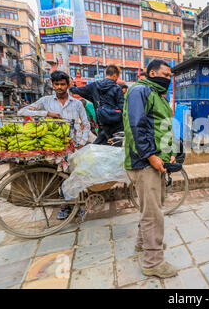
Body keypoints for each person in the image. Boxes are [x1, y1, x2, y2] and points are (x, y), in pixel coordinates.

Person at [123, 59, 177, 278]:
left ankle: (141, 243)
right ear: (151, 72)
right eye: (165, 75)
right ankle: (153, 261)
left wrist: (170, 151)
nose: (168, 79)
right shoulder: (140, 91)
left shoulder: (158, 96)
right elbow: (136, 125)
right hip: (144, 162)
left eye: (169, 76)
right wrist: (150, 155)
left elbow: (163, 127)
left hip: (156, 161)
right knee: (153, 214)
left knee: (152, 207)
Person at [18, 70, 91, 220]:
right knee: (59, 178)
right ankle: (65, 207)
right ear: (52, 85)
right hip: (54, 147)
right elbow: (22, 111)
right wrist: (46, 114)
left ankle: (78, 206)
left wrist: (81, 143)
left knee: (74, 177)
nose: (59, 87)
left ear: (68, 85)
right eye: (56, 84)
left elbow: (86, 124)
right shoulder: (46, 101)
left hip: (73, 146)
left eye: (62, 84)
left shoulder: (76, 103)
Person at [70, 65, 124, 146]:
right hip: (116, 124)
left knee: (100, 147)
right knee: (115, 146)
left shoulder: (94, 86)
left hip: (102, 123)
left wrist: (72, 87)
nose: (116, 79)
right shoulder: (117, 88)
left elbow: (79, 90)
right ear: (115, 75)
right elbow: (122, 106)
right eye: (117, 77)